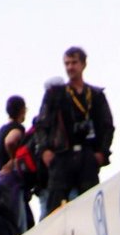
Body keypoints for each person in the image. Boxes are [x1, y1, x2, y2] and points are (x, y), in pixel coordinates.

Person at [36, 46, 115, 214]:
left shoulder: (95, 94)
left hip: (87, 154)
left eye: (74, 62)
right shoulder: (55, 93)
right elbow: (42, 124)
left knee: (90, 203)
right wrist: (44, 151)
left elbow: (107, 125)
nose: (70, 67)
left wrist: (102, 152)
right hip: (61, 154)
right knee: (55, 206)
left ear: (83, 64)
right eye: (67, 63)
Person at [0, 95, 28, 170]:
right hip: (13, 176)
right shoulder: (17, 127)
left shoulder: (2, 129)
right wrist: (13, 160)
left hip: (1, 176)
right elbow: (10, 141)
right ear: (22, 110)